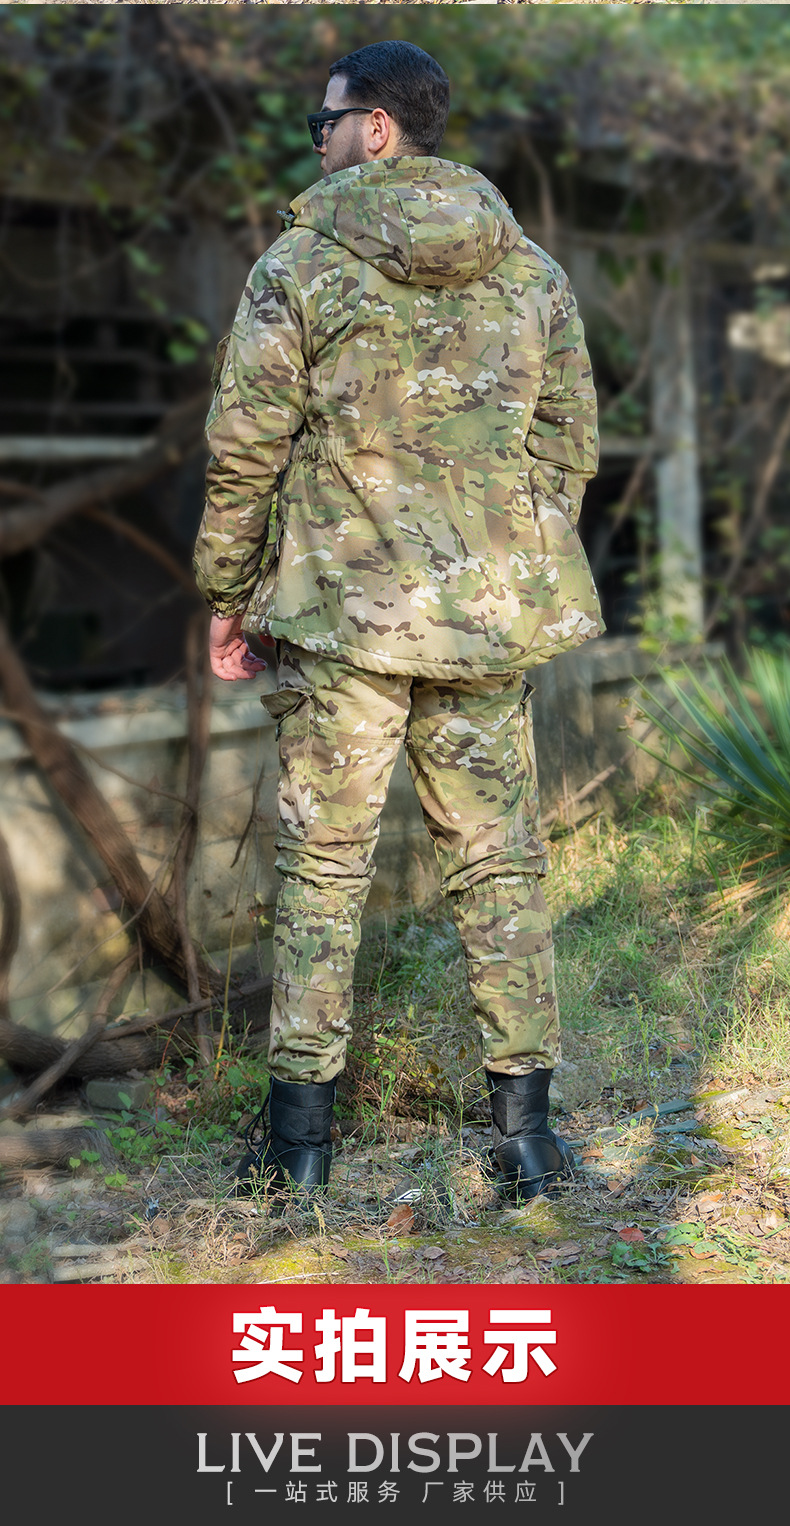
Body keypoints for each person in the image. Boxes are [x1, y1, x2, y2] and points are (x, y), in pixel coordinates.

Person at [193, 39, 603, 1203]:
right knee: (498, 862)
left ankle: (298, 1148)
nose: (315, 143)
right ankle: (527, 1141)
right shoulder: (531, 272)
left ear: (375, 126)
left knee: (323, 869)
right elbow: (568, 443)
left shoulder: (298, 264)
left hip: (339, 616)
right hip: (483, 616)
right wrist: (503, 558)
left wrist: (229, 592)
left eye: (322, 123)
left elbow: (243, 449)